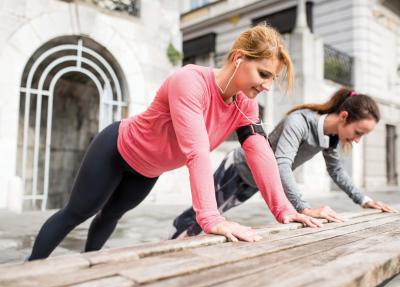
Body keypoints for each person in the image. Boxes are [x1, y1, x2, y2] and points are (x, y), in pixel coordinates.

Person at [27, 24, 320, 261]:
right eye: (264, 74)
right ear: (239, 58)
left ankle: (88, 266)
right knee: (77, 213)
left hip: (148, 170)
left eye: (273, 78)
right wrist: (210, 218)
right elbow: (197, 152)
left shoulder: (246, 105)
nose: (267, 85)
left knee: (112, 213)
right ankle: (28, 271)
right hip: (116, 149)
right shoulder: (190, 81)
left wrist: (285, 210)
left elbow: (261, 154)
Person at [170, 88, 397, 239]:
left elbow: (337, 172)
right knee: (206, 215)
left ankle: (179, 232)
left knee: (219, 213)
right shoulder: (299, 121)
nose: (357, 140)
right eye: (358, 132)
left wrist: (365, 200)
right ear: (345, 116)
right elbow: (282, 164)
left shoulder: (330, 138)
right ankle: (171, 241)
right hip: (239, 168)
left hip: (257, 183)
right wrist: (303, 208)